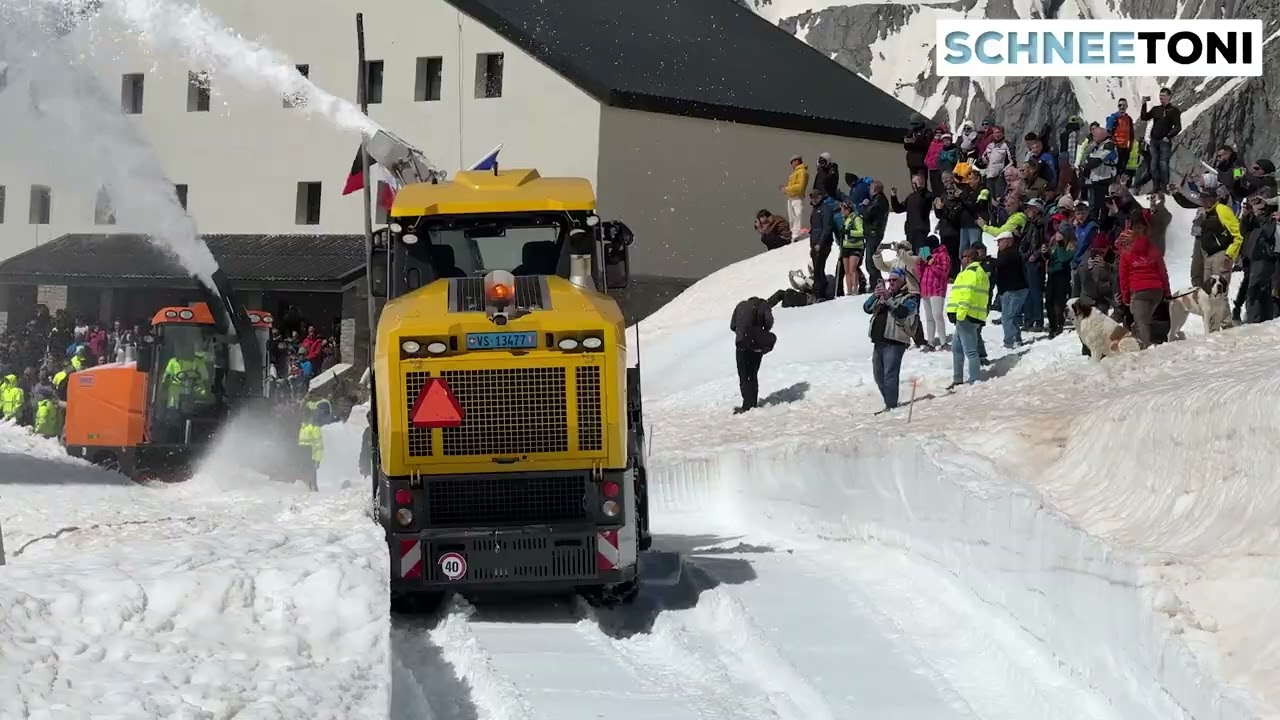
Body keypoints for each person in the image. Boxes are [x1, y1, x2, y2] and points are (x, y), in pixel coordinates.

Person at [863, 271, 919, 411]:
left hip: (895, 342)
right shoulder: (885, 295)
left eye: (895, 280)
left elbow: (903, 312)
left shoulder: (910, 297)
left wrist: (889, 300)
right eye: (890, 280)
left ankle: (891, 405)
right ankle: (889, 402)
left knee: (890, 375)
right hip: (879, 341)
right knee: (878, 376)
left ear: (903, 282)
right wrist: (874, 296)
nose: (891, 283)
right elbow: (866, 308)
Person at [1116, 215, 1170, 347]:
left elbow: (1123, 278)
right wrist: (1167, 292)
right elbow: (1163, 272)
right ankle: (1140, 341)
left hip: (1139, 291)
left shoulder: (1126, 252)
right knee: (1143, 320)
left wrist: (1126, 297)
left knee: (1142, 322)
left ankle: (1145, 349)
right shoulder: (1154, 248)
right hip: (1156, 291)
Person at [729, 293, 782, 414]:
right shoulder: (764, 306)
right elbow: (769, 323)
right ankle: (751, 403)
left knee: (744, 374)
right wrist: (759, 329)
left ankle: (747, 404)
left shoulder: (740, 305)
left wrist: (742, 331)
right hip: (756, 344)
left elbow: (732, 326)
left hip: (741, 343)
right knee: (752, 373)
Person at [946, 247, 990, 387]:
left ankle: (974, 380)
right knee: (957, 348)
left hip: (966, 316)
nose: (961, 259)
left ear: (970, 258)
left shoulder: (971, 273)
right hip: (970, 315)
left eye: (963, 257)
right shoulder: (977, 272)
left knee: (970, 350)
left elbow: (966, 295)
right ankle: (958, 379)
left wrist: (958, 314)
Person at [1141, 88, 1181, 189]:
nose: (1161, 97)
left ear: (1169, 97)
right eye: (1160, 95)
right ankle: (1156, 187)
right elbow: (1144, 117)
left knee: (1163, 164)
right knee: (1154, 166)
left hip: (1164, 142)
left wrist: (1168, 136)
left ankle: (1165, 187)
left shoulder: (1174, 111)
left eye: (1163, 95)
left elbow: (1178, 127)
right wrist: (1144, 104)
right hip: (1154, 141)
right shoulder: (1156, 109)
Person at [918, 235, 951, 349]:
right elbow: (918, 273)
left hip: (937, 289)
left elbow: (944, 272)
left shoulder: (943, 255)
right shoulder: (926, 254)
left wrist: (932, 263)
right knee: (929, 317)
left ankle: (943, 341)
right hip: (925, 288)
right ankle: (930, 342)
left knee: (937, 315)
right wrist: (921, 262)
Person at [890, 174, 934, 251]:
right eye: (913, 182)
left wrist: (920, 188)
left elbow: (925, 199)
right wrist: (894, 197)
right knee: (910, 252)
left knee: (922, 251)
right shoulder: (910, 197)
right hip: (910, 229)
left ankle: (924, 262)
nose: (915, 184)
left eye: (917, 181)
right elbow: (898, 209)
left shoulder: (927, 195)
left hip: (921, 229)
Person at [861, 181, 891, 288]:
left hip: (874, 233)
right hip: (873, 232)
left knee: (871, 262)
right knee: (871, 261)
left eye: (871, 188)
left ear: (875, 189)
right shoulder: (879, 200)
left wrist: (864, 206)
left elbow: (868, 214)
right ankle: (876, 283)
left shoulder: (879, 200)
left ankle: (877, 284)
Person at [807, 189, 837, 298]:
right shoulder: (815, 210)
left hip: (822, 244)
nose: (813, 200)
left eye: (815, 197)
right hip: (815, 243)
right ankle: (820, 290)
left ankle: (819, 292)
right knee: (817, 269)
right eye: (812, 198)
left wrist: (820, 243)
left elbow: (827, 228)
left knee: (819, 268)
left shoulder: (825, 209)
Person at [837, 199, 867, 296]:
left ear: (848, 209)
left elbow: (861, 232)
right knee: (846, 270)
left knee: (852, 268)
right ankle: (849, 290)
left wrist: (849, 232)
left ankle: (855, 289)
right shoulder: (845, 220)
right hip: (846, 246)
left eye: (843, 209)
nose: (841, 211)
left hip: (856, 247)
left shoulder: (856, 218)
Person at [297, 401, 326, 492]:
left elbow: (319, 446)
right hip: (303, 453)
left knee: (311, 470)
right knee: (305, 470)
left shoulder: (314, 428)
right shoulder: (303, 427)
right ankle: (306, 485)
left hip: (310, 454)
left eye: (306, 414)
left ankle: (312, 487)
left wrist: (317, 460)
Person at [781, 155, 809, 240]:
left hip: (797, 197)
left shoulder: (801, 172)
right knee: (792, 218)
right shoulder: (795, 172)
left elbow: (800, 187)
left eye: (792, 162)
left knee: (797, 216)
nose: (791, 164)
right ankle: (794, 234)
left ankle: (796, 235)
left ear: (797, 161)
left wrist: (786, 189)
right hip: (792, 197)